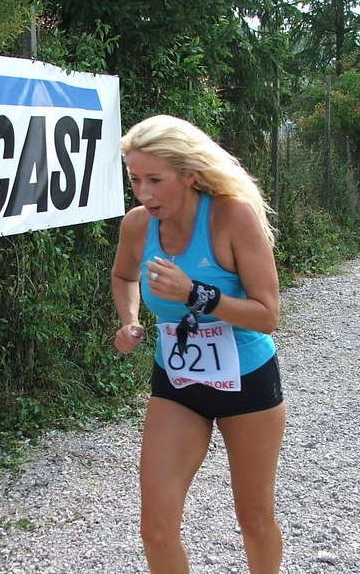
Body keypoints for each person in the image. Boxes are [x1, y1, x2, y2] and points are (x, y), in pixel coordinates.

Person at [111, 114, 285, 574]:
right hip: (177, 382)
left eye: (155, 180)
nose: (144, 193)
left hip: (246, 381)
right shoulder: (137, 226)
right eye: (135, 180)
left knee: (254, 519)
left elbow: (268, 315)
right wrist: (130, 321)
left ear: (189, 174)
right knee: (156, 528)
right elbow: (123, 276)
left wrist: (195, 294)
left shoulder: (231, 216)